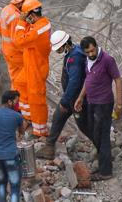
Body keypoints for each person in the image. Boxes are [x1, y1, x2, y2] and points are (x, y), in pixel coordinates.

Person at [74, 36, 122, 181]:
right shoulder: (88, 60)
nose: (91, 54)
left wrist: (119, 103)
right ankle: (104, 160)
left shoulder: (107, 59)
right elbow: (88, 80)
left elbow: (118, 80)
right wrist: (81, 97)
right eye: (87, 52)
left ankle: (106, 171)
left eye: (92, 50)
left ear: (96, 46)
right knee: (95, 133)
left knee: (102, 136)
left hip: (104, 103)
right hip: (91, 101)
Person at [39, 30, 88, 160]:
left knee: (84, 125)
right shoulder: (73, 51)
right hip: (72, 97)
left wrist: (65, 101)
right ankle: (49, 147)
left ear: (65, 44)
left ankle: (101, 148)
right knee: (58, 116)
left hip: (77, 98)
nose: (57, 51)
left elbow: (75, 81)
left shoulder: (74, 57)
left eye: (58, 48)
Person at [12, 0, 52, 136]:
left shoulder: (39, 29)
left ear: (31, 15)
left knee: (36, 99)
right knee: (19, 84)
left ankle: (40, 130)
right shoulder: (39, 24)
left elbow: (18, 41)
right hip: (31, 64)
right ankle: (28, 117)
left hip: (37, 67)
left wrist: (21, 22)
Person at [0, 0, 35, 111]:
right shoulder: (16, 17)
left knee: (15, 81)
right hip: (17, 55)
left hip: (8, 52)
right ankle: (19, 108)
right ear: (21, 3)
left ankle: (14, 106)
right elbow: (19, 41)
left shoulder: (6, 10)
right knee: (22, 83)